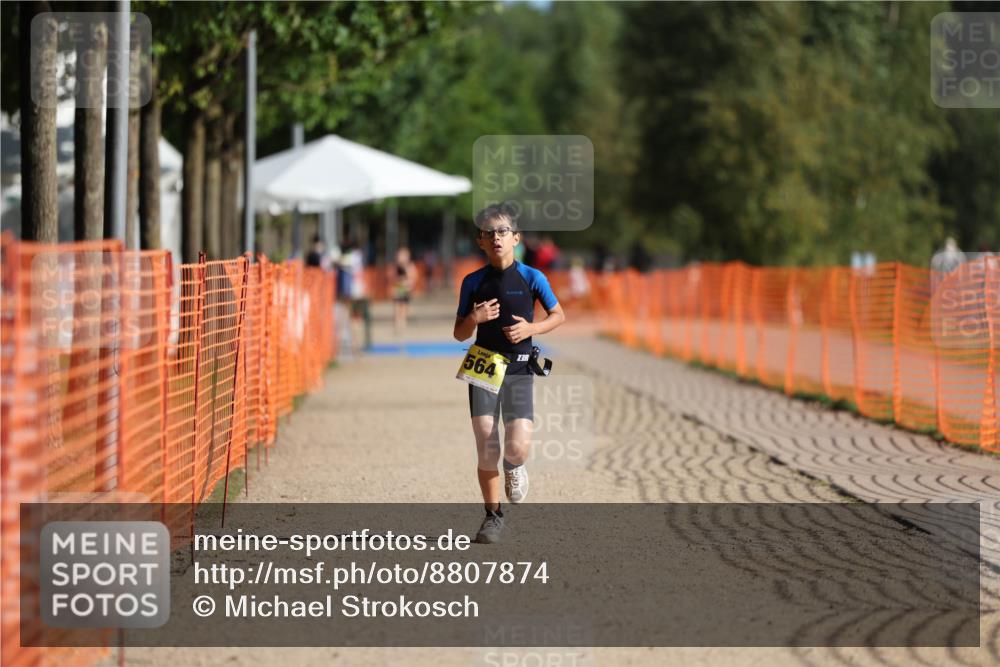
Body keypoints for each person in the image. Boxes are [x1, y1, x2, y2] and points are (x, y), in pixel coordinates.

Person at [453, 202, 566, 544]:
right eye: (489, 233)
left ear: (516, 237)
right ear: (481, 242)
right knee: (486, 444)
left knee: (515, 448)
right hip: (484, 364)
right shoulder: (473, 282)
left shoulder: (533, 277)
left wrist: (531, 327)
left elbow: (558, 315)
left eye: (503, 232)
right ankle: (492, 517)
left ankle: (514, 468)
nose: (496, 238)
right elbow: (459, 333)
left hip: (519, 368)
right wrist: (474, 319)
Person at [391, 246, 417, 336]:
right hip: (398, 290)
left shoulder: (410, 266)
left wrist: (409, 284)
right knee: (397, 309)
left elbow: (413, 277)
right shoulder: (396, 267)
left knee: (404, 310)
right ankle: (397, 327)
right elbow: (393, 278)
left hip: (405, 290)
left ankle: (402, 327)